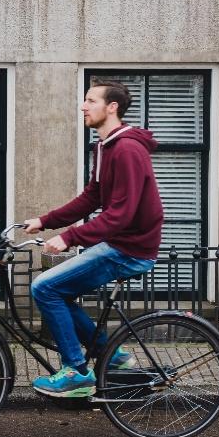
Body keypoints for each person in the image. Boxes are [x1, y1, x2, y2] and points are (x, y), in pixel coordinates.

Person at [23, 81, 164, 398]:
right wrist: (46, 221)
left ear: (111, 107)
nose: (83, 106)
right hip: (120, 242)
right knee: (58, 291)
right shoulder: (105, 147)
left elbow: (121, 214)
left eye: (90, 100)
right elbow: (92, 198)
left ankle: (75, 372)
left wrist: (69, 238)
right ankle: (114, 357)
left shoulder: (127, 150)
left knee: (44, 287)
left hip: (130, 248)